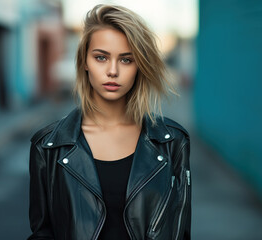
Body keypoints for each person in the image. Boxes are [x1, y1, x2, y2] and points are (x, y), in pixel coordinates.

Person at [28, 4, 191, 240]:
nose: (112, 71)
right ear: (85, 61)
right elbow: (42, 232)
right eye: (101, 57)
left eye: (126, 60)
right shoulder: (48, 146)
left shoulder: (173, 142)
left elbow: (180, 230)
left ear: (139, 66)